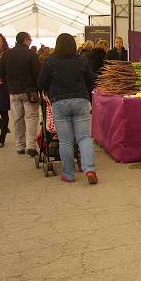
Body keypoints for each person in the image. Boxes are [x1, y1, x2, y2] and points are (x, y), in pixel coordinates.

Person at [38, 33, 98, 184]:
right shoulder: (82, 61)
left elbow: (40, 82)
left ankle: (68, 174)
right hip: (80, 101)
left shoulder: (50, 61)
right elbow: (92, 80)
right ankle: (89, 169)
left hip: (59, 102)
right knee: (84, 137)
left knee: (65, 140)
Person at [0, 32, 41, 157]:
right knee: (31, 118)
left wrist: (9, 82)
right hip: (30, 91)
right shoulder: (31, 54)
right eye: (30, 39)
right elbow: (38, 73)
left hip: (14, 91)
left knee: (17, 119)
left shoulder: (7, 54)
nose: (31, 42)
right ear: (25, 40)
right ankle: (31, 146)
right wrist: (40, 88)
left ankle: (20, 146)